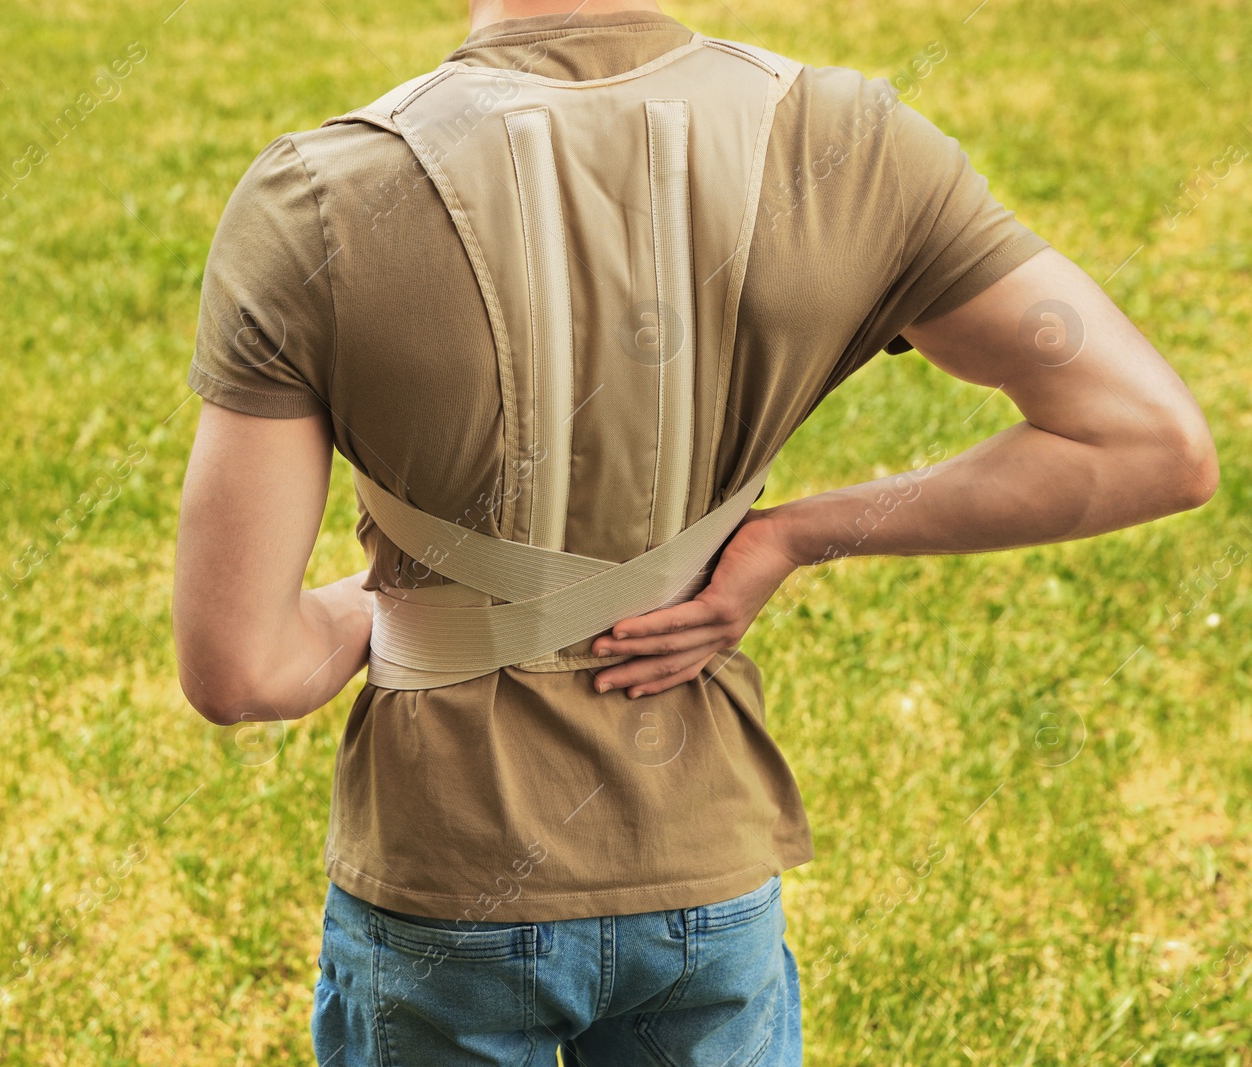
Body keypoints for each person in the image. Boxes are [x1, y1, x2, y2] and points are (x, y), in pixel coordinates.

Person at [171, 1, 1218, 1063]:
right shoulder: (846, 143)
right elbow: (1150, 444)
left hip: (448, 875)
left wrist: (388, 603)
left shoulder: (314, 198)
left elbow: (241, 668)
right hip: (701, 869)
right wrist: (795, 532)